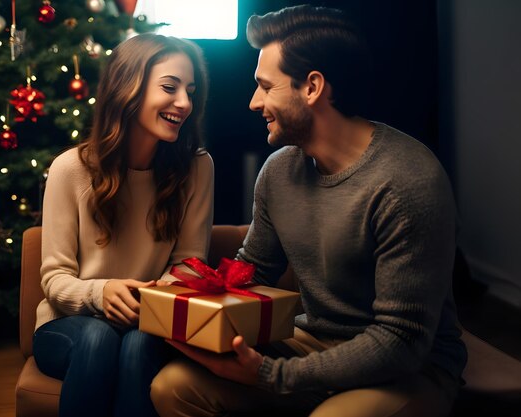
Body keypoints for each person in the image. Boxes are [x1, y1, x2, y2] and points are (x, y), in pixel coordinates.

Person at [151, 5, 467, 417]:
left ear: (313, 87)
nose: (253, 102)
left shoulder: (407, 180)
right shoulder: (279, 171)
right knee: (172, 388)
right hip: (312, 342)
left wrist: (274, 375)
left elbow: (401, 340)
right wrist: (186, 300)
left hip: (409, 369)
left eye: (265, 86)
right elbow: (254, 271)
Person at [32, 33, 213, 417]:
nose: (184, 102)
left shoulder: (197, 167)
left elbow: (190, 262)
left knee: (138, 341)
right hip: (69, 325)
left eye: (190, 91)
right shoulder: (71, 169)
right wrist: (102, 293)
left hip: (151, 321)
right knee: (98, 337)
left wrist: (155, 296)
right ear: (127, 87)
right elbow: (54, 278)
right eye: (170, 86)